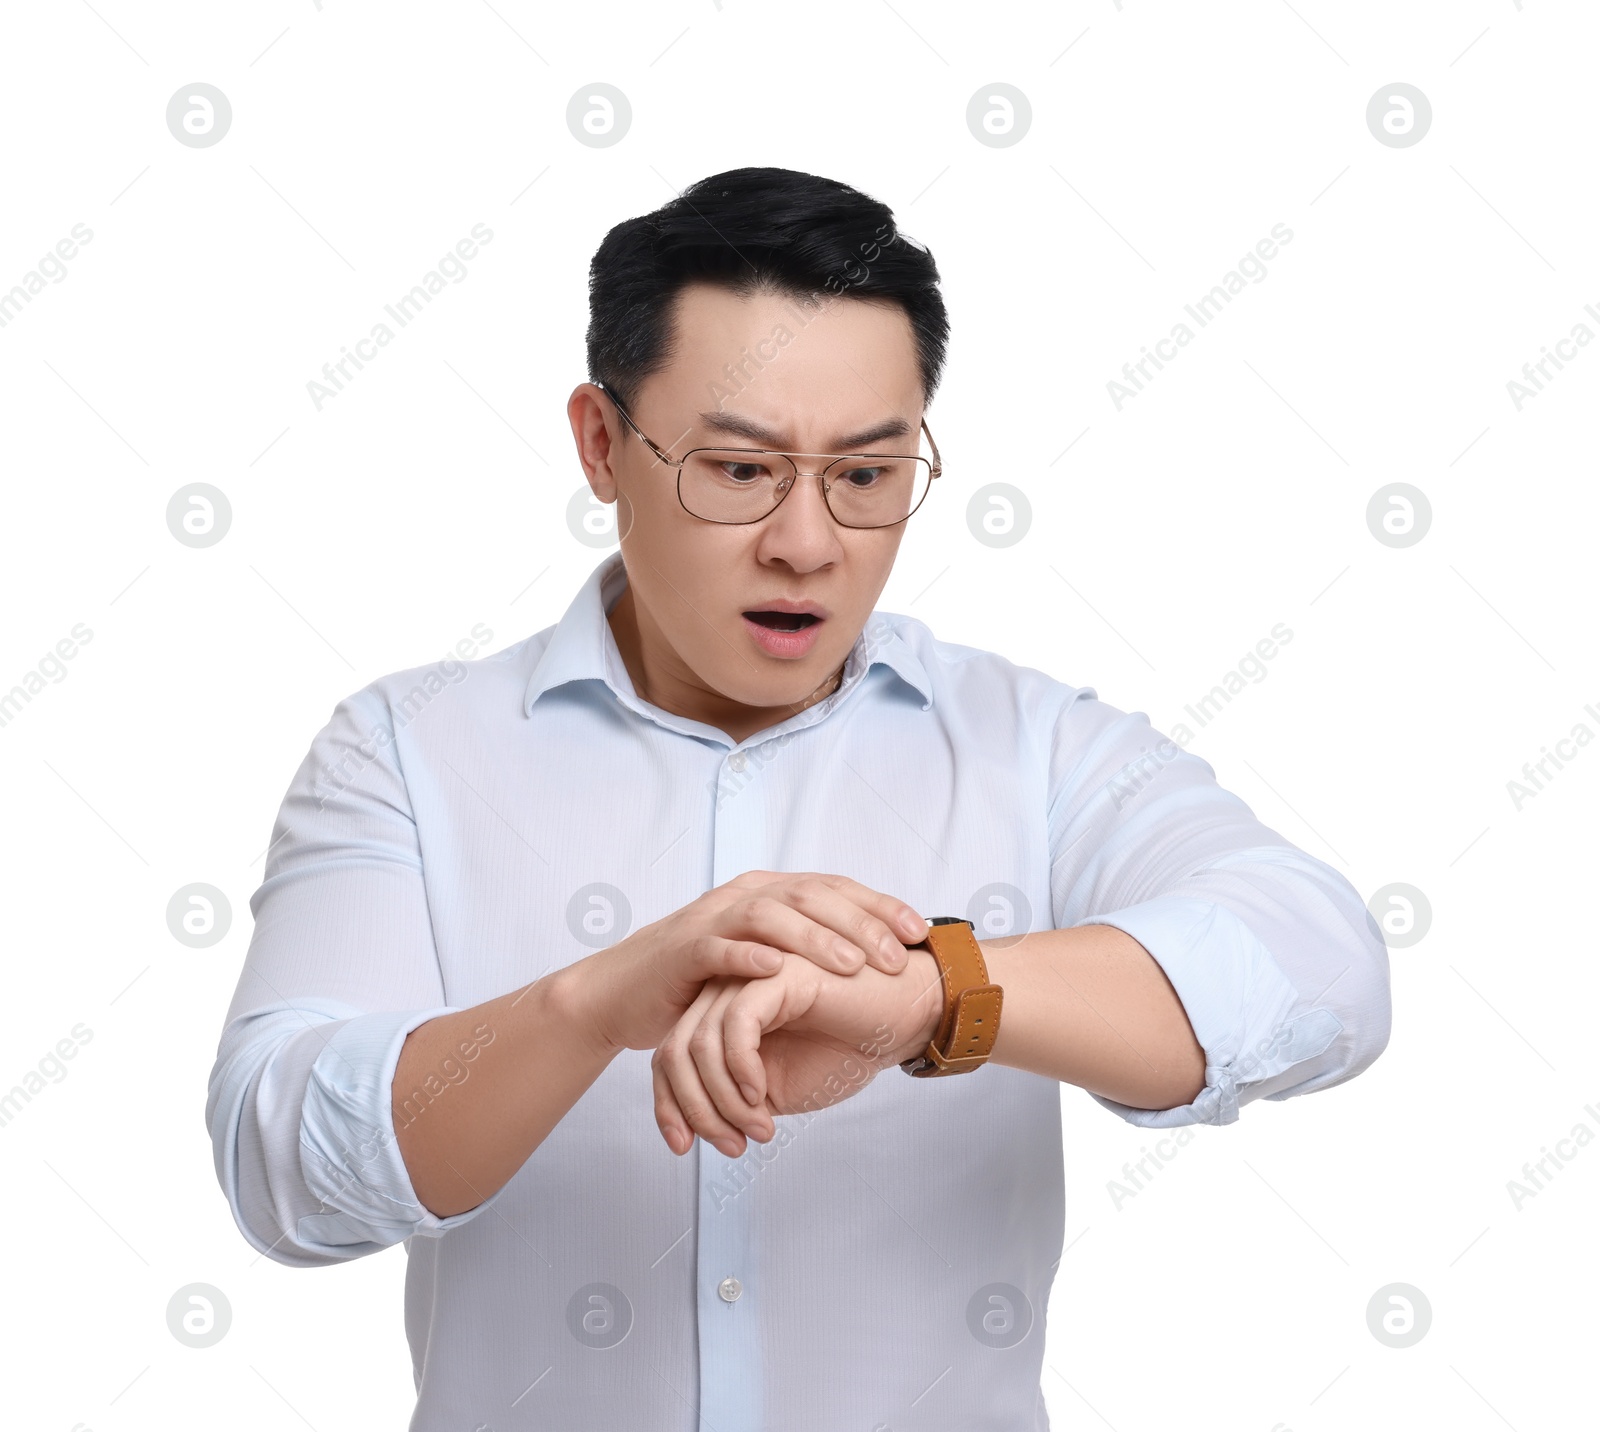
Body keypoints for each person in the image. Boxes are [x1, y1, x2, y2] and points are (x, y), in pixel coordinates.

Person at [206, 166, 1391, 1431]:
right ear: (603, 446)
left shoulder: (1028, 744)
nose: (808, 543)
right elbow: (283, 1167)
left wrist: (938, 992)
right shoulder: (408, 751)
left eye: (869, 477)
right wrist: (592, 1001)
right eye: (737, 469)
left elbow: (1323, 968)